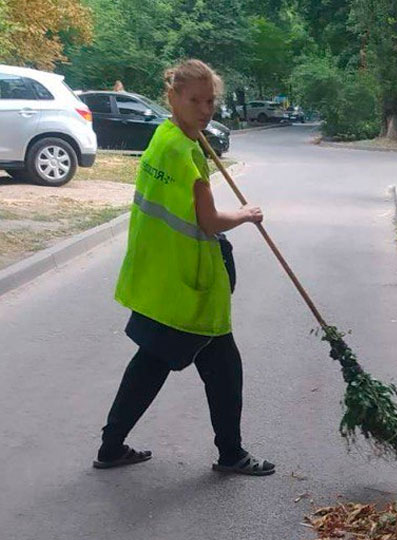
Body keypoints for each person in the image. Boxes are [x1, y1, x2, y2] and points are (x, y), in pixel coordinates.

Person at [94, 59, 275, 476]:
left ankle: (111, 446)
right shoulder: (184, 152)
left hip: (161, 277)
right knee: (220, 370)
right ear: (173, 97)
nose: (205, 110)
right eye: (195, 101)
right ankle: (230, 455)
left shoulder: (165, 136)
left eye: (210, 101)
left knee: (155, 364)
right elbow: (208, 222)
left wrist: (193, 133)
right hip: (189, 286)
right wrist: (246, 214)